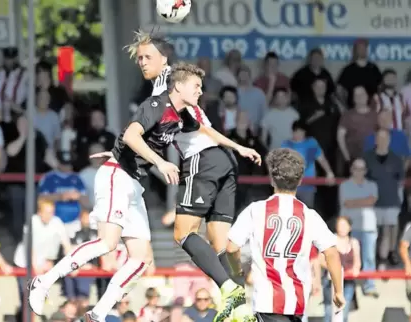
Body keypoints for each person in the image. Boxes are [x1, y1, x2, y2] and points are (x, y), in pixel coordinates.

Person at [28, 62, 208, 322]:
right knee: (107, 242)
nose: (200, 91)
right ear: (178, 86)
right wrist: (158, 161)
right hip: (117, 176)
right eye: (196, 86)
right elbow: (133, 136)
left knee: (142, 258)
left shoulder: (184, 116)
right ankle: (43, 282)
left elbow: (204, 133)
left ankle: (98, 313)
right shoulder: (157, 105)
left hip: (133, 181)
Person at [125, 30, 261, 322]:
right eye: (139, 58)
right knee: (219, 243)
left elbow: (143, 133)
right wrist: (238, 147)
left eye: (146, 57)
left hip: (203, 162)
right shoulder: (178, 100)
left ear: (163, 60)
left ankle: (227, 288)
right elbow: (204, 129)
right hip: (225, 163)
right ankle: (241, 309)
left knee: (182, 234)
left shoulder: (169, 85)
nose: (141, 62)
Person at [225, 148, 345, 322]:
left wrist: (237, 272)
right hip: (297, 304)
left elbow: (231, 247)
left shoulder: (256, 210)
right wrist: (339, 291)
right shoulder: (309, 214)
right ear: (300, 180)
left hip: (266, 301)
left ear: (272, 179)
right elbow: (332, 253)